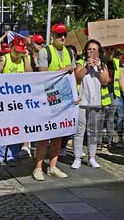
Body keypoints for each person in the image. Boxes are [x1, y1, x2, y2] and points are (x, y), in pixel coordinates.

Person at [33, 23, 76, 181]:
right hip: (48, 97)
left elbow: (72, 75)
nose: (62, 37)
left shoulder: (69, 51)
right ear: (52, 36)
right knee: (45, 134)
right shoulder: (46, 52)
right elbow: (42, 75)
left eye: (64, 34)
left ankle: (52, 166)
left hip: (63, 96)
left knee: (59, 134)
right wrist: (62, 70)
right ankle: (38, 167)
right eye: (59, 35)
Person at [0, 36, 32, 167]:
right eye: (17, 50)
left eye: (21, 50)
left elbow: (30, 75)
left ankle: (12, 155)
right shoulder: (4, 58)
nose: (18, 53)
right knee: (2, 128)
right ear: (11, 47)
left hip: (18, 101)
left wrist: (26, 58)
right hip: (3, 100)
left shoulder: (24, 59)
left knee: (16, 129)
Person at [71, 39, 109, 170]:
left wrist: (99, 68)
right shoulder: (81, 63)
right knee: (79, 130)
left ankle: (92, 157)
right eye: (89, 49)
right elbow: (77, 77)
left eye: (94, 49)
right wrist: (87, 67)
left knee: (93, 131)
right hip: (82, 102)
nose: (92, 51)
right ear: (86, 51)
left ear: (99, 52)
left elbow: (105, 81)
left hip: (96, 102)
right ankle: (77, 158)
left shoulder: (102, 65)